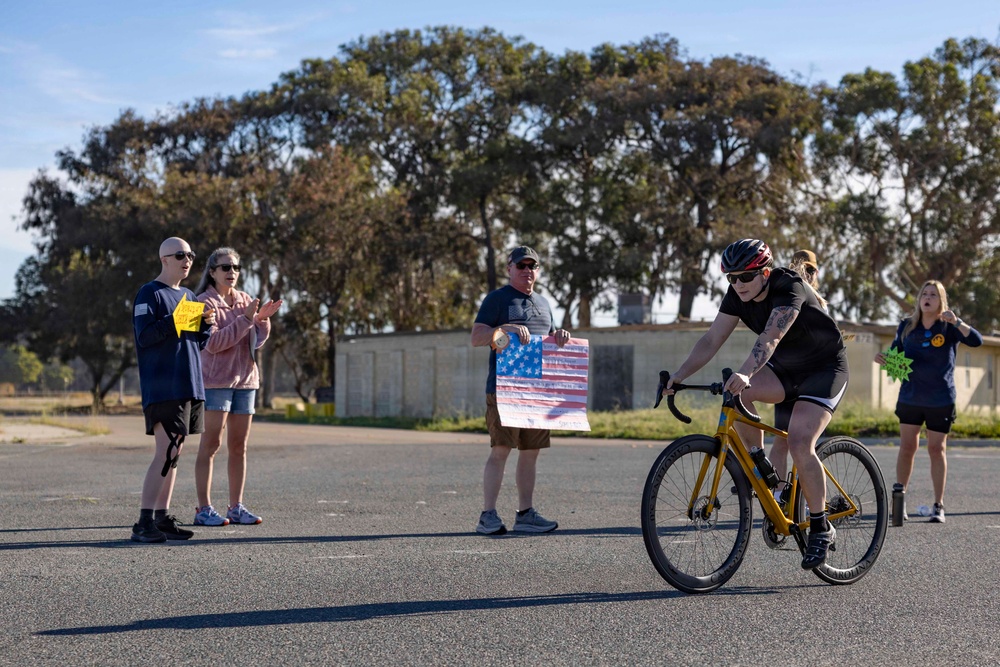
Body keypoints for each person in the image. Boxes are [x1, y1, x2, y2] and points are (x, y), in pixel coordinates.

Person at [666, 239, 849, 569]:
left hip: (824, 370)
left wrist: (746, 372)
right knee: (735, 396)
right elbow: (710, 339)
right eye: (731, 278)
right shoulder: (737, 294)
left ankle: (822, 525)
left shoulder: (789, 287)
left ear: (765, 272)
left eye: (745, 277)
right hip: (787, 369)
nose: (738, 285)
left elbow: (770, 338)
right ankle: (758, 462)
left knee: (798, 442)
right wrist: (677, 376)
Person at [471, 246, 571, 535]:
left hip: (537, 392)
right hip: (504, 390)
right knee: (501, 449)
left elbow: (547, 338)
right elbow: (478, 337)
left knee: (531, 451)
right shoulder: (497, 299)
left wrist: (559, 335)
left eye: (533, 265)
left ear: (538, 271)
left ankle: (525, 514)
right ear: (510, 269)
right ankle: (487, 515)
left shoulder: (544, 303)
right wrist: (505, 329)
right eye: (521, 265)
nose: (527, 270)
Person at [874, 280, 982, 523]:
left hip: (940, 399)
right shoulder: (906, 326)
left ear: (940, 300)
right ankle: (900, 503)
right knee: (907, 448)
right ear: (919, 299)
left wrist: (957, 321)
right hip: (911, 398)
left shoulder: (949, 327)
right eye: (925, 293)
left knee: (937, 449)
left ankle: (938, 505)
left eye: (934, 294)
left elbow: (977, 341)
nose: (928, 297)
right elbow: (898, 360)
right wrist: (886, 360)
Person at [131, 237, 216, 543]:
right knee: (166, 451)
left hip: (189, 384)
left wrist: (206, 326)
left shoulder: (191, 295)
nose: (187, 259)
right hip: (163, 386)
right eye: (180, 254)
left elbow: (195, 343)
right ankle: (143, 523)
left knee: (175, 454)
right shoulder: (149, 293)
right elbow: (146, 336)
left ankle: (161, 518)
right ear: (164, 259)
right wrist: (177, 319)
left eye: (191, 254)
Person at [192, 247, 282, 526]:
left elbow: (254, 341)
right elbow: (213, 343)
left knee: (239, 446)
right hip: (215, 382)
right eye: (226, 267)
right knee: (211, 445)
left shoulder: (245, 299)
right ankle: (203, 509)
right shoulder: (200, 302)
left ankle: (236, 507)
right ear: (212, 272)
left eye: (236, 268)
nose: (232, 272)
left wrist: (262, 321)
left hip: (246, 381)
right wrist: (245, 320)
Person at [770, 248, 826, 500]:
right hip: (786, 376)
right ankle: (777, 494)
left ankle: (807, 502)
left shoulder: (820, 303)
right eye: (801, 267)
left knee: (803, 445)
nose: (807, 273)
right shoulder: (787, 294)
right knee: (781, 441)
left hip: (812, 380)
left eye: (811, 269)